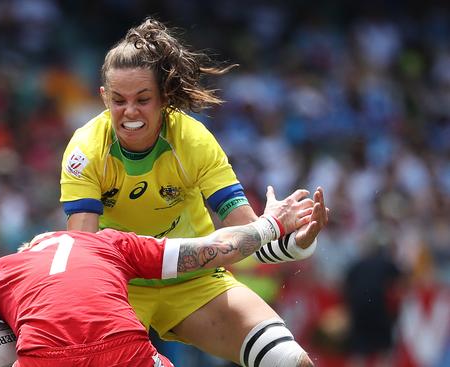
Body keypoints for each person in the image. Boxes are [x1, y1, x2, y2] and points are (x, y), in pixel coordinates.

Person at [59, 17, 329, 366]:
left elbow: (251, 241)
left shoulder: (194, 140)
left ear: (165, 98)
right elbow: (83, 259)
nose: (130, 112)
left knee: (292, 361)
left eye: (143, 99)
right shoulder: (85, 150)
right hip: (118, 287)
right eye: (118, 100)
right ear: (103, 97)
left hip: (191, 276)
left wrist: (297, 243)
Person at [0, 187, 318, 367]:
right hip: (122, 352)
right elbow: (211, 251)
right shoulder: (109, 244)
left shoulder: (3, 271)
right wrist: (271, 225)